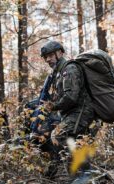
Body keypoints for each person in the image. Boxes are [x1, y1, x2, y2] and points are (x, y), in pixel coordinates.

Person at [41, 41, 95, 176]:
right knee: (71, 141)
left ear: (60, 52)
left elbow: (71, 97)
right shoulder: (57, 73)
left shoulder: (69, 69)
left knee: (58, 135)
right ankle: (79, 177)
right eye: (45, 57)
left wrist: (53, 106)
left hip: (80, 112)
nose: (48, 59)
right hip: (71, 114)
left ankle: (83, 174)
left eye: (50, 55)